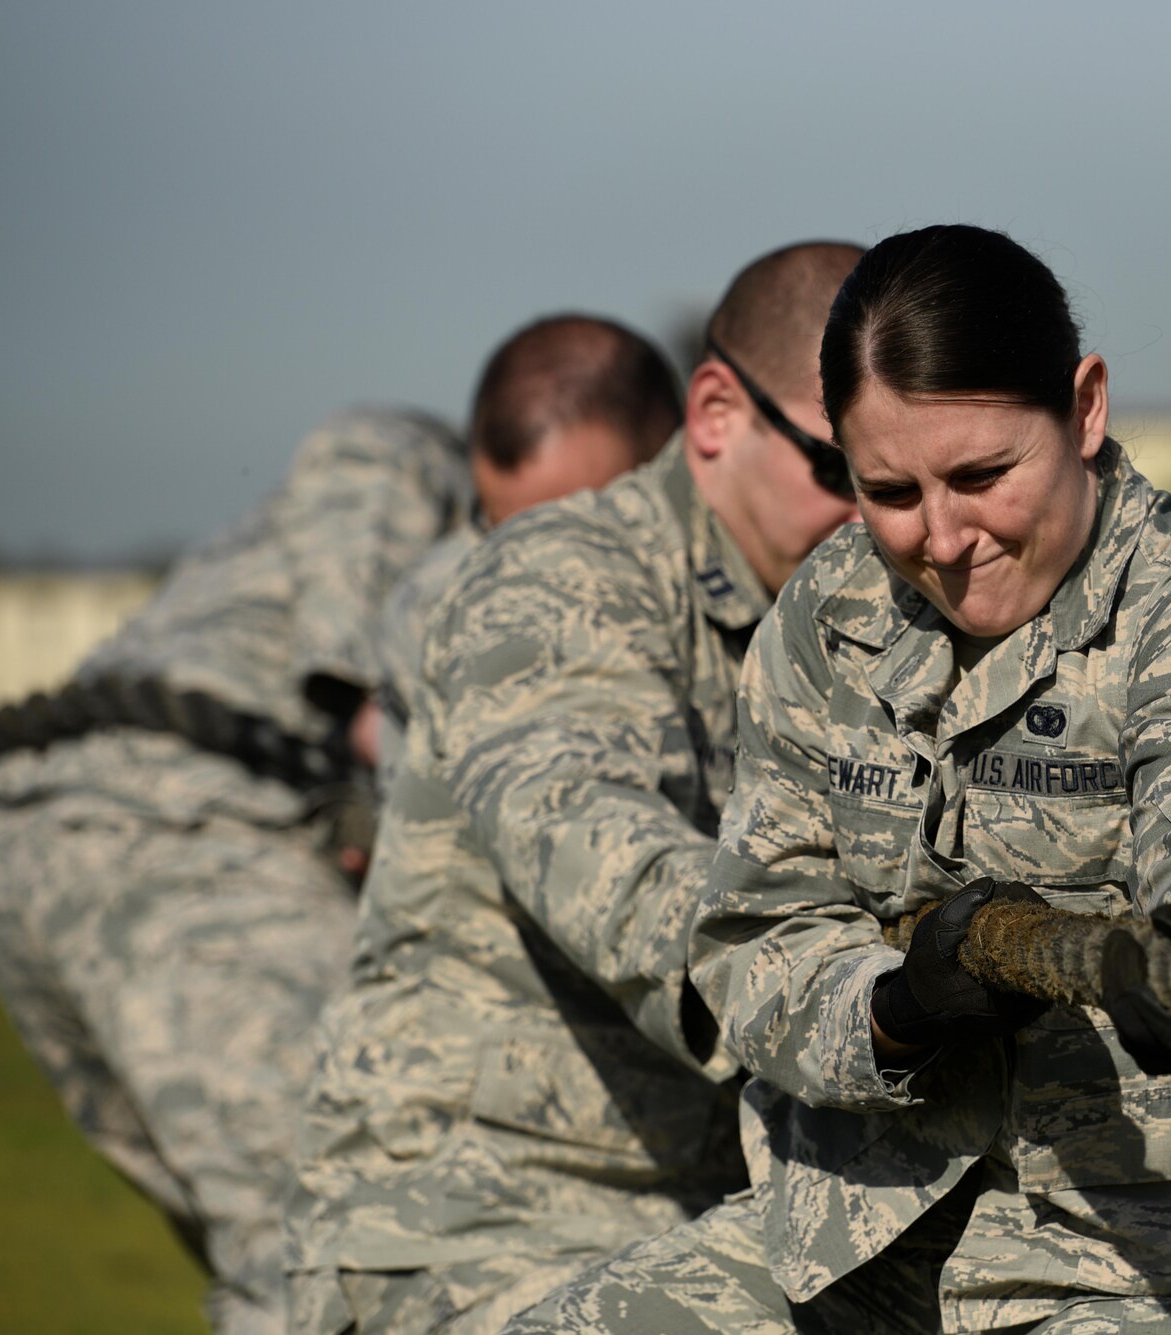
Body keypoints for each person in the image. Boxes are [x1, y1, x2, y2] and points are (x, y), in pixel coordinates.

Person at [507, 225, 1171, 1335]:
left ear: (1085, 410)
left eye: (982, 475)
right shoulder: (831, 616)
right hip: (853, 1248)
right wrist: (894, 1011)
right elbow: (755, 939)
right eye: (887, 489)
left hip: (1141, 1269)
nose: (940, 537)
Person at [285, 241, 865, 1335]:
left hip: (725, 1224)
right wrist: (870, 996)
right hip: (468, 1235)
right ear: (714, 416)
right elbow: (605, 854)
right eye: (841, 471)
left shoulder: (853, 626)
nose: (880, 516)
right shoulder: (557, 579)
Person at [0, 409, 469, 1335]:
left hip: (40, 841)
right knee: (339, 1250)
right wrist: (369, 721)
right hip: (175, 838)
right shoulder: (419, 456)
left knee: (261, 1243)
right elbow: (358, 460)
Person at [370, 314, 684, 796]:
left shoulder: (760, 586)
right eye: (496, 529)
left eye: (565, 537)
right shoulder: (437, 611)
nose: (520, 567)